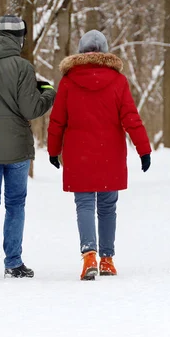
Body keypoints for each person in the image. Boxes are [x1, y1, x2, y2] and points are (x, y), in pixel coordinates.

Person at [47, 30, 151, 281]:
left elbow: (58, 120)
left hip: (77, 152)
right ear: (104, 52)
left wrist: (53, 150)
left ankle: (89, 256)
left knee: (84, 204)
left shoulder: (69, 81)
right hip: (110, 153)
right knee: (107, 206)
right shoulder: (117, 81)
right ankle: (107, 259)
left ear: (81, 53)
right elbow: (130, 117)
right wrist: (143, 149)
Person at [0, 15, 56, 281]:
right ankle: (13, 262)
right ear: (20, 38)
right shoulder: (22, 67)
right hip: (16, 148)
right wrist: (48, 91)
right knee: (15, 204)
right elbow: (32, 108)